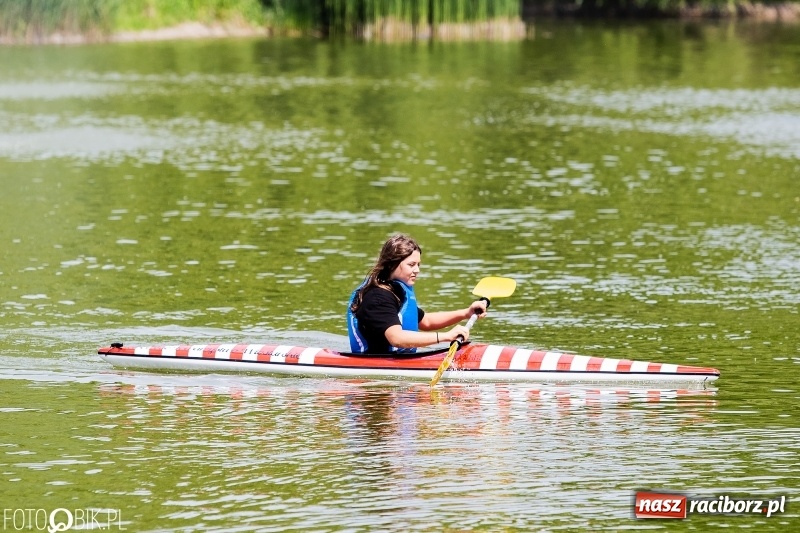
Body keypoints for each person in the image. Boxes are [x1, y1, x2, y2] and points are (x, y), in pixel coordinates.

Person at [346, 234, 488, 354]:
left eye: (418, 265)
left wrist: (465, 313)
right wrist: (446, 336)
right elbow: (397, 338)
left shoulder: (396, 291)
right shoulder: (377, 298)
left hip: (400, 360)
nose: (417, 270)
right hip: (376, 364)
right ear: (391, 264)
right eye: (411, 265)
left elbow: (426, 321)